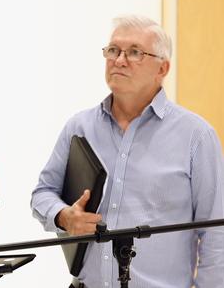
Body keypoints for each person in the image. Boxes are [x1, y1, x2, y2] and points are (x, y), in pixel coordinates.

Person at [31, 15, 224, 287]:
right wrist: (64, 217)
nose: (119, 60)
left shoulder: (196, 136)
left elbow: (216, 234)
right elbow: (42, 193)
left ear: (163, 69)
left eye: (134, 52)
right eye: (113, 50)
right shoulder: (79, 127)